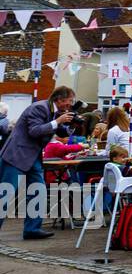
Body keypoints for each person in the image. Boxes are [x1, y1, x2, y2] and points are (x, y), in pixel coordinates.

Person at [0, 87, 75, 240]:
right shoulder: (39, 108)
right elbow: (34, 130)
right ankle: (31, 229)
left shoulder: (55, 112)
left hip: (32, 156)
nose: (70, 105)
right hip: (17, 155)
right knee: (5, 194)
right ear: (59, 100)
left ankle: (32, 229)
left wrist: (72, 125)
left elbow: (60, 131)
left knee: (38, 192)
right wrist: (57, 121)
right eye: (69, 102)